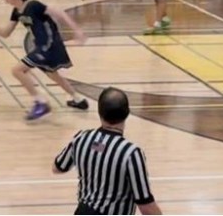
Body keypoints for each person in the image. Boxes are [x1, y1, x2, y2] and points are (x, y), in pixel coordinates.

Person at [0, 0, 88, 120]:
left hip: (49, 45)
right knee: (53, 75)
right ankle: (78, 99)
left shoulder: (33, 5)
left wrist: (76, 30)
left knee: (17, 70)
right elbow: (7, 33)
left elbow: (59, 12)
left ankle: (41, 103)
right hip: (41, 46)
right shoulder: (17, 12)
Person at [54, 87, 161, 215]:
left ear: (100, 112)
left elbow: (57, 168)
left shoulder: (81, 138)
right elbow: (146, 205)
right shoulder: (131, 153)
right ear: (127, 113)